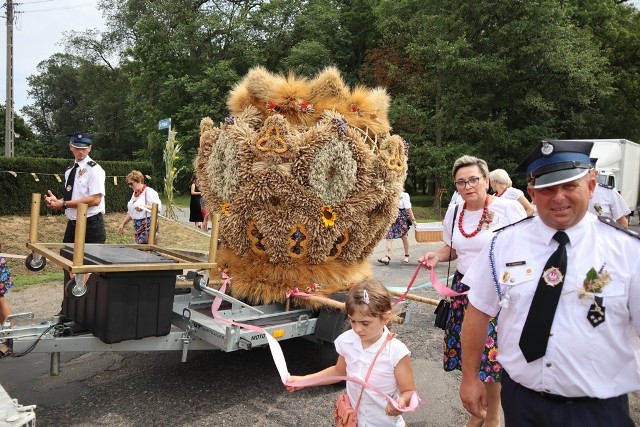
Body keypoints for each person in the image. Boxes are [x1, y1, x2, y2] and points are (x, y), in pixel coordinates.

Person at [459, 140, 640, 427]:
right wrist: (469, 378)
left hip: (598, 411)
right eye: (547, 189)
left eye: (569, 186)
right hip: (522, 403)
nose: (558, 197)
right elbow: (478, 312)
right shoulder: (501, 245)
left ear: (591, 186)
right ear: (532, 193)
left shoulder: (628, 252)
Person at [418, 155, 526, 427]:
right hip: (464, 290)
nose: (468, 186)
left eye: (474, 179)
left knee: (492, 357)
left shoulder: (509, 209)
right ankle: (479, 410)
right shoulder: (455, 212)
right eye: (461, 182)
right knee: (471, 356)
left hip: (499, 291)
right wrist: (437, 257)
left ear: (487, 181)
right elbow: (454, 248)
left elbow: (523, 249)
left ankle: (492, 418)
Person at [286, 278, 417, 426]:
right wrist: (304, 381)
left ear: (386, 316)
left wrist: (400, 403)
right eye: (353, 321)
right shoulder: (347, 340)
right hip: (354, 421)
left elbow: (409, 391)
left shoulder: (396, 352)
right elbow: (338, 371)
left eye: (365, 323)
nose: (357, 328)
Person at [44, 133, 106, 243]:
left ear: (90, 148)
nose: (81, 151)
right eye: (77, 148)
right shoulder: (70, 170)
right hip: (72, 223)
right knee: (66, 258)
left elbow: (95, 200)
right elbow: (75, 196)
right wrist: (58, 201)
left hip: (91, 225)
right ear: (71, 147)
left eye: (84, 148)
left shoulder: (95, 169)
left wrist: (63, 204)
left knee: (89, 260)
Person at [117, 171, 162, 244]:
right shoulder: (134, 194)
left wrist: (144, 207)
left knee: (145, 252)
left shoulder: (149, 192)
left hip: (148, 227)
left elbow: (158, 209)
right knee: (139, 251)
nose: (130, 186)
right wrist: (123, 224)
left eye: (131, 183)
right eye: (128, 184)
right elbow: (131, 213)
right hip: (138, 227)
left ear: (139, 181)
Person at [588, 159, 630, 228]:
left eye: (588, 172)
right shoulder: (573, 194)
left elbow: (622, 222)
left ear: (596, 173)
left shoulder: (608, 193)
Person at [378, 191, 417, 265]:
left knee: (404, 237)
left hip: (402, 219)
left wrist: (413, 220)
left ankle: (406, 256)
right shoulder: (391, 193)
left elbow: (408, 209)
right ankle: (386, 257)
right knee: (389, 237)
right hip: (392, 218)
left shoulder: (404, 195)